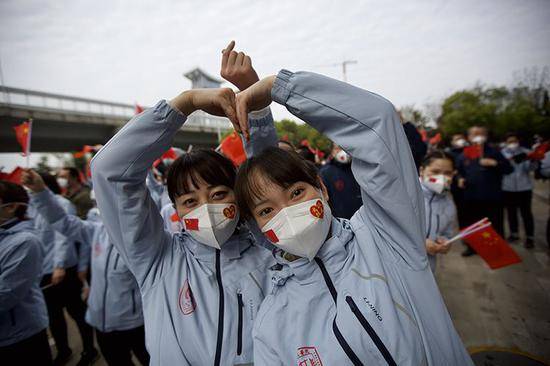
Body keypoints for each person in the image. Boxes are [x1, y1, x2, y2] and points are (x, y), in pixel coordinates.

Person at [233, 70, 473, 365]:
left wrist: (278, 87)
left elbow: (377, 124)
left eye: (296, 193)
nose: (288, 213)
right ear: (258, 227)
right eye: (267, 211)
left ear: (322, 188)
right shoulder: (270, 325)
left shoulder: (385, 237)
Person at [90, 42, 274, 365]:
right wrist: (184, 104)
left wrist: (255, 103)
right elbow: (109, 171)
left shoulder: (270, 251)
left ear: (238, 195)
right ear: (175, 210)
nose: (206, 207)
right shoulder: (157, 260)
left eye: (218, 194)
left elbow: (272, 182)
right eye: (190, 200)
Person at [22, 170, 149, 366]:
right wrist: (40, 192)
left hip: (135, 324)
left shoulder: (145, 240)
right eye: (98, 204)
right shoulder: (97, 231)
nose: (100, 209)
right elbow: (62, 222)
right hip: (101, 323)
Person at [30, 173, 98, 365]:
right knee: (54, 316)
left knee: (77, 312)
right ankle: (63, 350)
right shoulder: (31, 206)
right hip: (42, 272)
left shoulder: (62, 204)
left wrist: (59, 265)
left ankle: (89, 349)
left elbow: (64, 234)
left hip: (62, 271)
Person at [0, 181, 52, 365]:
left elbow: (5, 294)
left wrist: (61, 264)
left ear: (11, 207)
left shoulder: (25, 242)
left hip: (20, 338)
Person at [456, 126, 513, 256]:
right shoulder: (465, 154)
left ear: (486, 136)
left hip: (493, 196)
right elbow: (458, 171)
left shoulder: (495, 152)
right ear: (469, 137)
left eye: (481, 134)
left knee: (496, 224)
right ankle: (472, 248)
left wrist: (495, 163)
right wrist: (459, 179)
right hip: (471, 197)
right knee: (473, 224)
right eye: (475, 134)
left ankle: (497, 249)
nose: (478, 136)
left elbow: (509, 169)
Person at [419, 151, 457, 272]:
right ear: (422, 171)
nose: (442, 177)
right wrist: (420, 243)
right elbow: (387, 230)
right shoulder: (405, 195)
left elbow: (447, 232)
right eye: (435, 172)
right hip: (396, 268)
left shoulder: (449, 204)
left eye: (448, 173)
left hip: (428, 268)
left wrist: (445, 241)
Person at [500, 133, 537, 248]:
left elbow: (530, 169)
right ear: (506, 142)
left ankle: (530, 237)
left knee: (526, 213)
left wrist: (533, 161)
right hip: (508, 187)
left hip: (524, 187)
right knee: (511, 212)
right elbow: (500, 168)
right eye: (510, 141)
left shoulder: (526, 152)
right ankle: (514, 233)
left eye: (514, 141)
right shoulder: (502, 153)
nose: (512, 143)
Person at [319, 143, 362, 219]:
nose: (343, 151)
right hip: (344, 224)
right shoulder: (325, 173)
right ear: (332, 152)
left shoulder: (360, 168)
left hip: (365, 220)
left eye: (346, 147)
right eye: (338, 148)